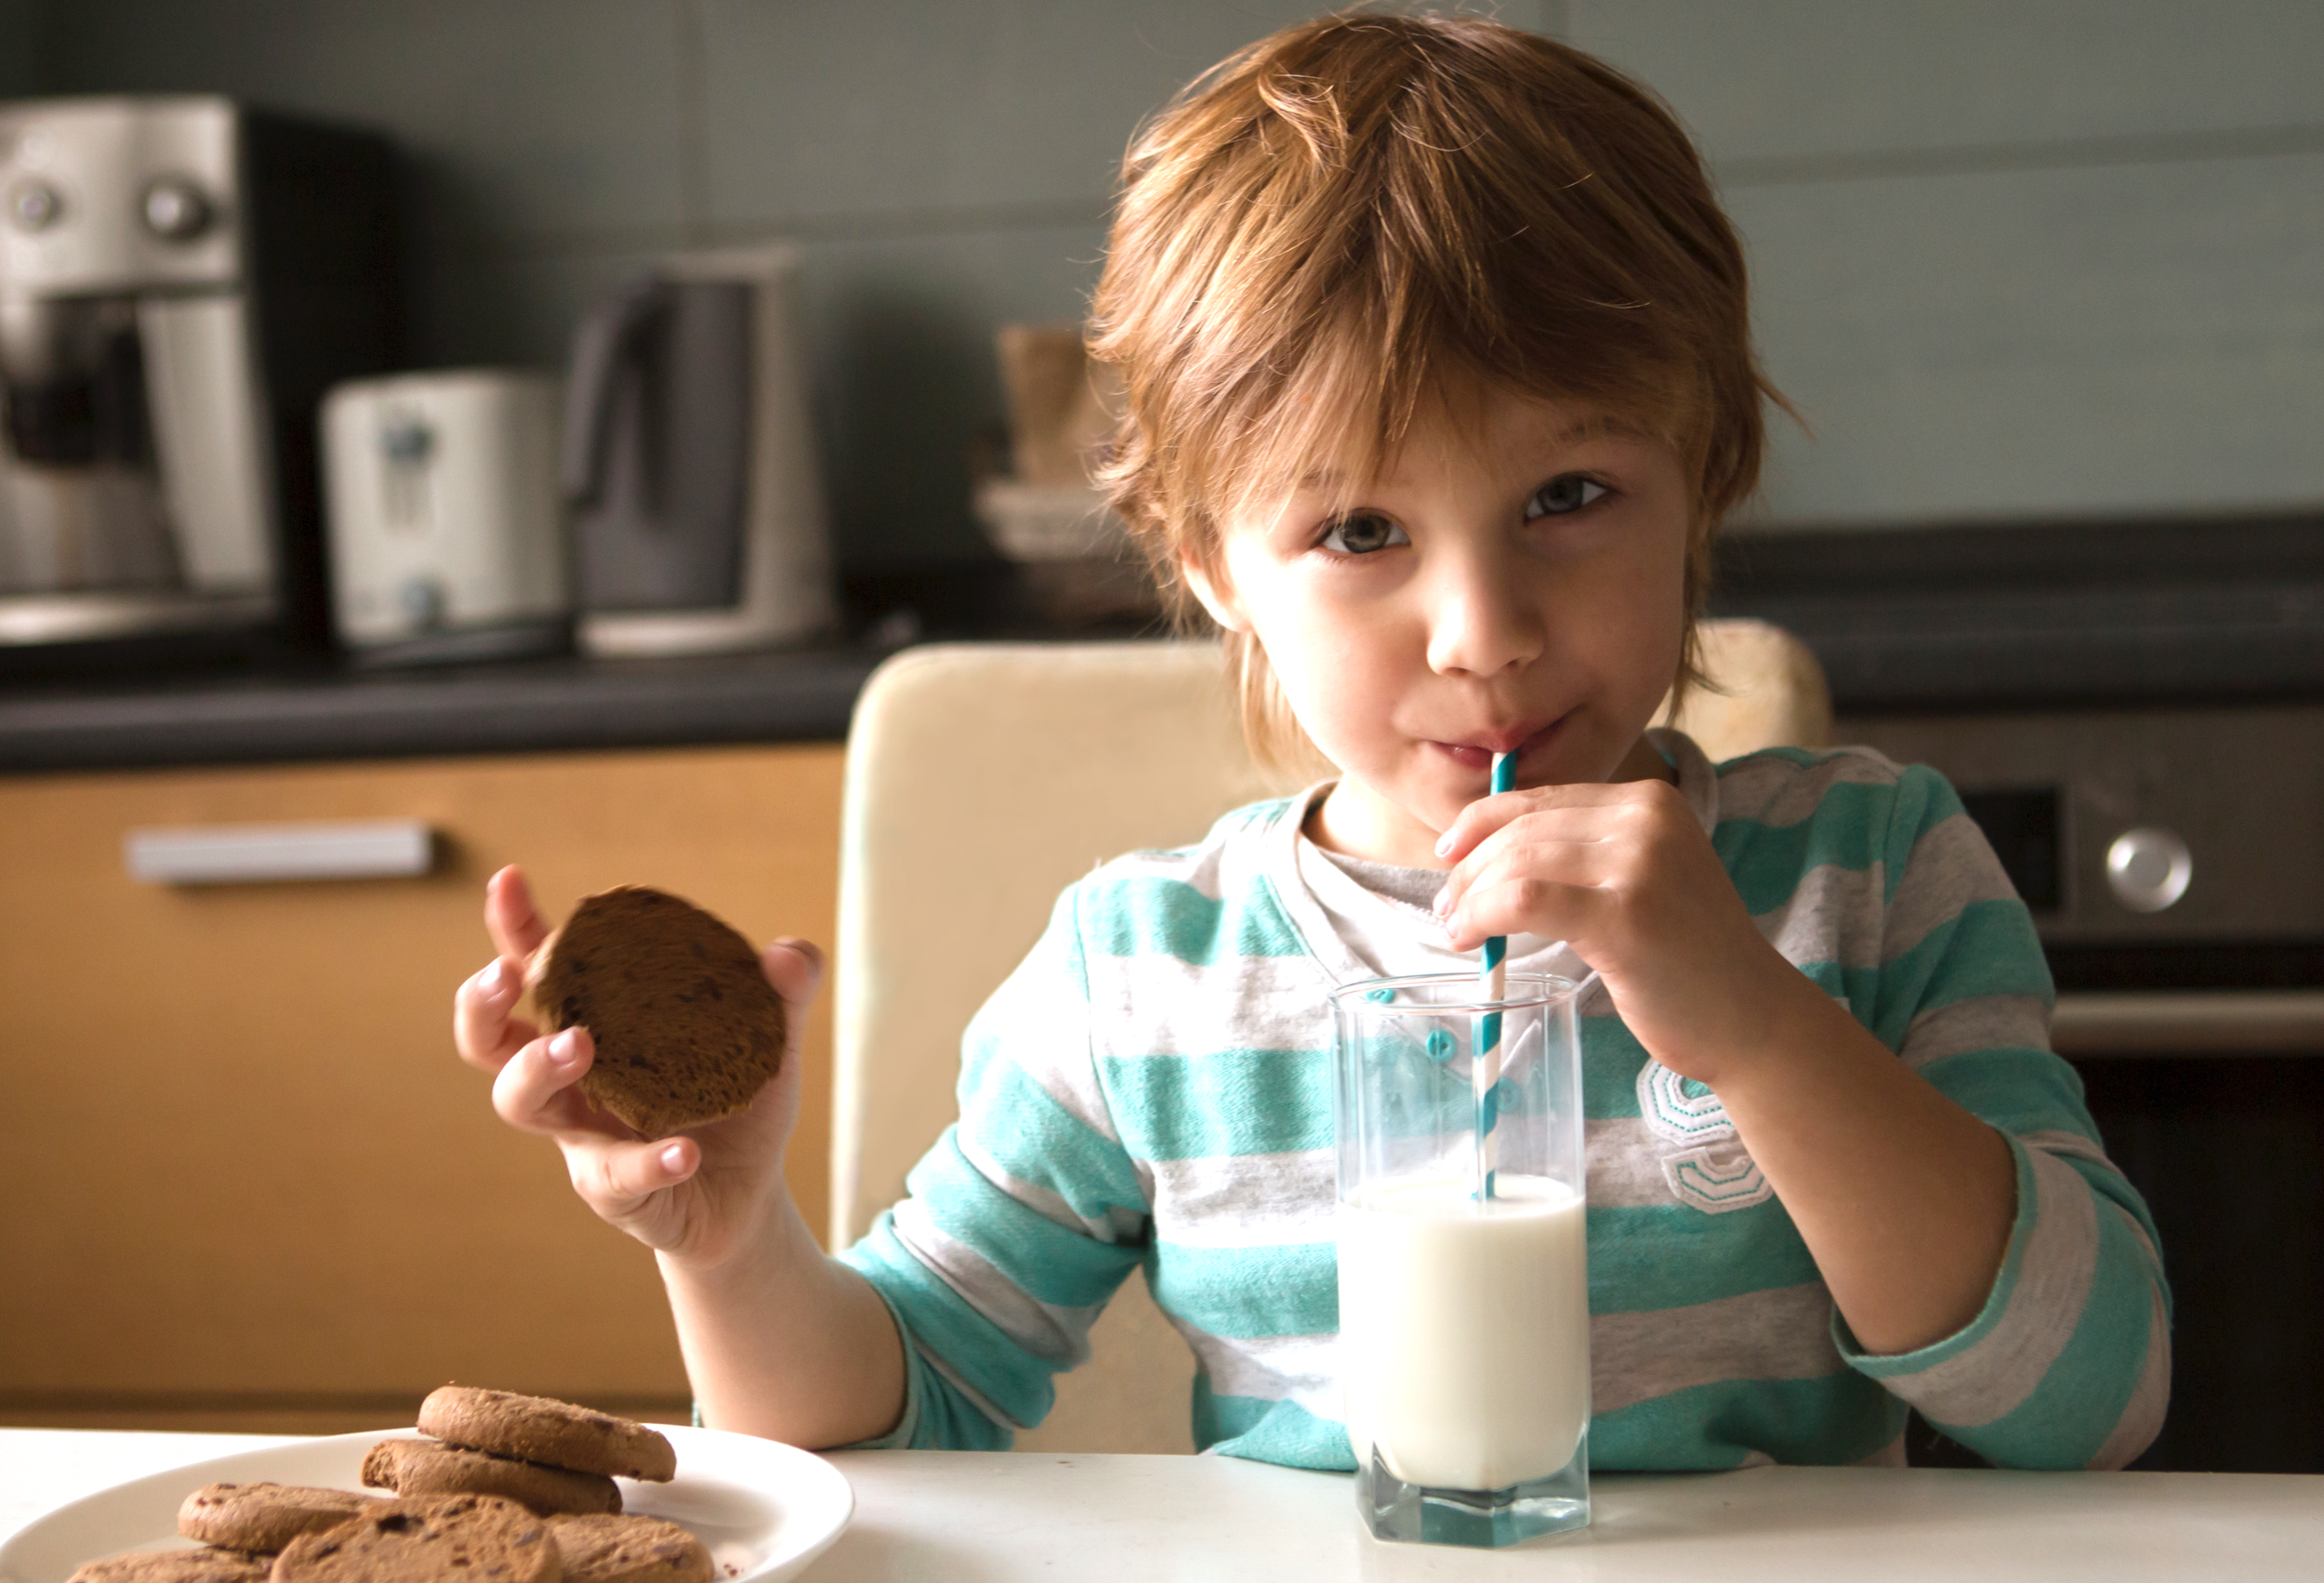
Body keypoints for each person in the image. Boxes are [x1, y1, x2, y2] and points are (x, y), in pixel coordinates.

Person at [454, 12, 2166, 1471]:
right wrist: (731, 1244)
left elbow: (2090, 1404)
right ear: (1214, 567)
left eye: (1569, 495)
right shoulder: (1150, 974)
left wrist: (1754, 1024)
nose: (1482, 628)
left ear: (1703, 469)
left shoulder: (1867, 876)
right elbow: (896, 1417)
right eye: (1359, 532)